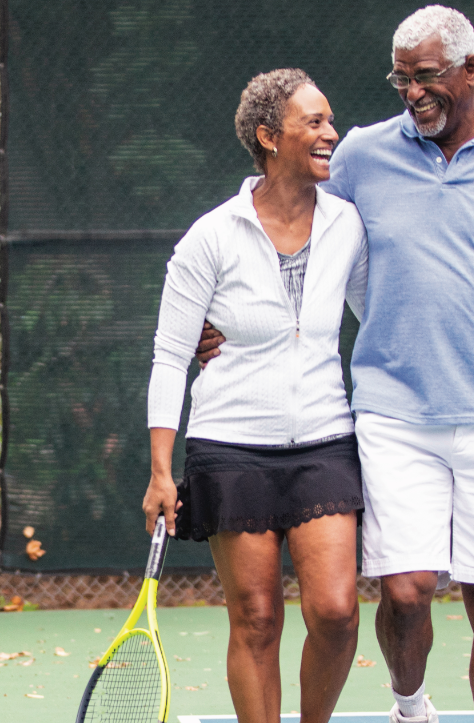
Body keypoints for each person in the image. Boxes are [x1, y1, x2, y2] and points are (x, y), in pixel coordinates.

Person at [197, 6, 474, 723]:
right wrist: (220, 311)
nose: (412, 93)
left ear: (470, 69)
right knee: (404, 590)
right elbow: (284, 216)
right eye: (401, 79)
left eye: (426, 76)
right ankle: (410, 704)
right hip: (393, 412)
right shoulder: (362, 155)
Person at [141, 68, 369, 723]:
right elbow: (170, 355)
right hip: (230, 448)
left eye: (330, 120)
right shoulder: (211, 236)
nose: (331, 133)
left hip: (325, 440)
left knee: (336, 612)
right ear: (269, 137)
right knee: (258, 619)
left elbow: (379, 317)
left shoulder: (348, 225)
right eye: (315, 122)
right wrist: (161, 470)